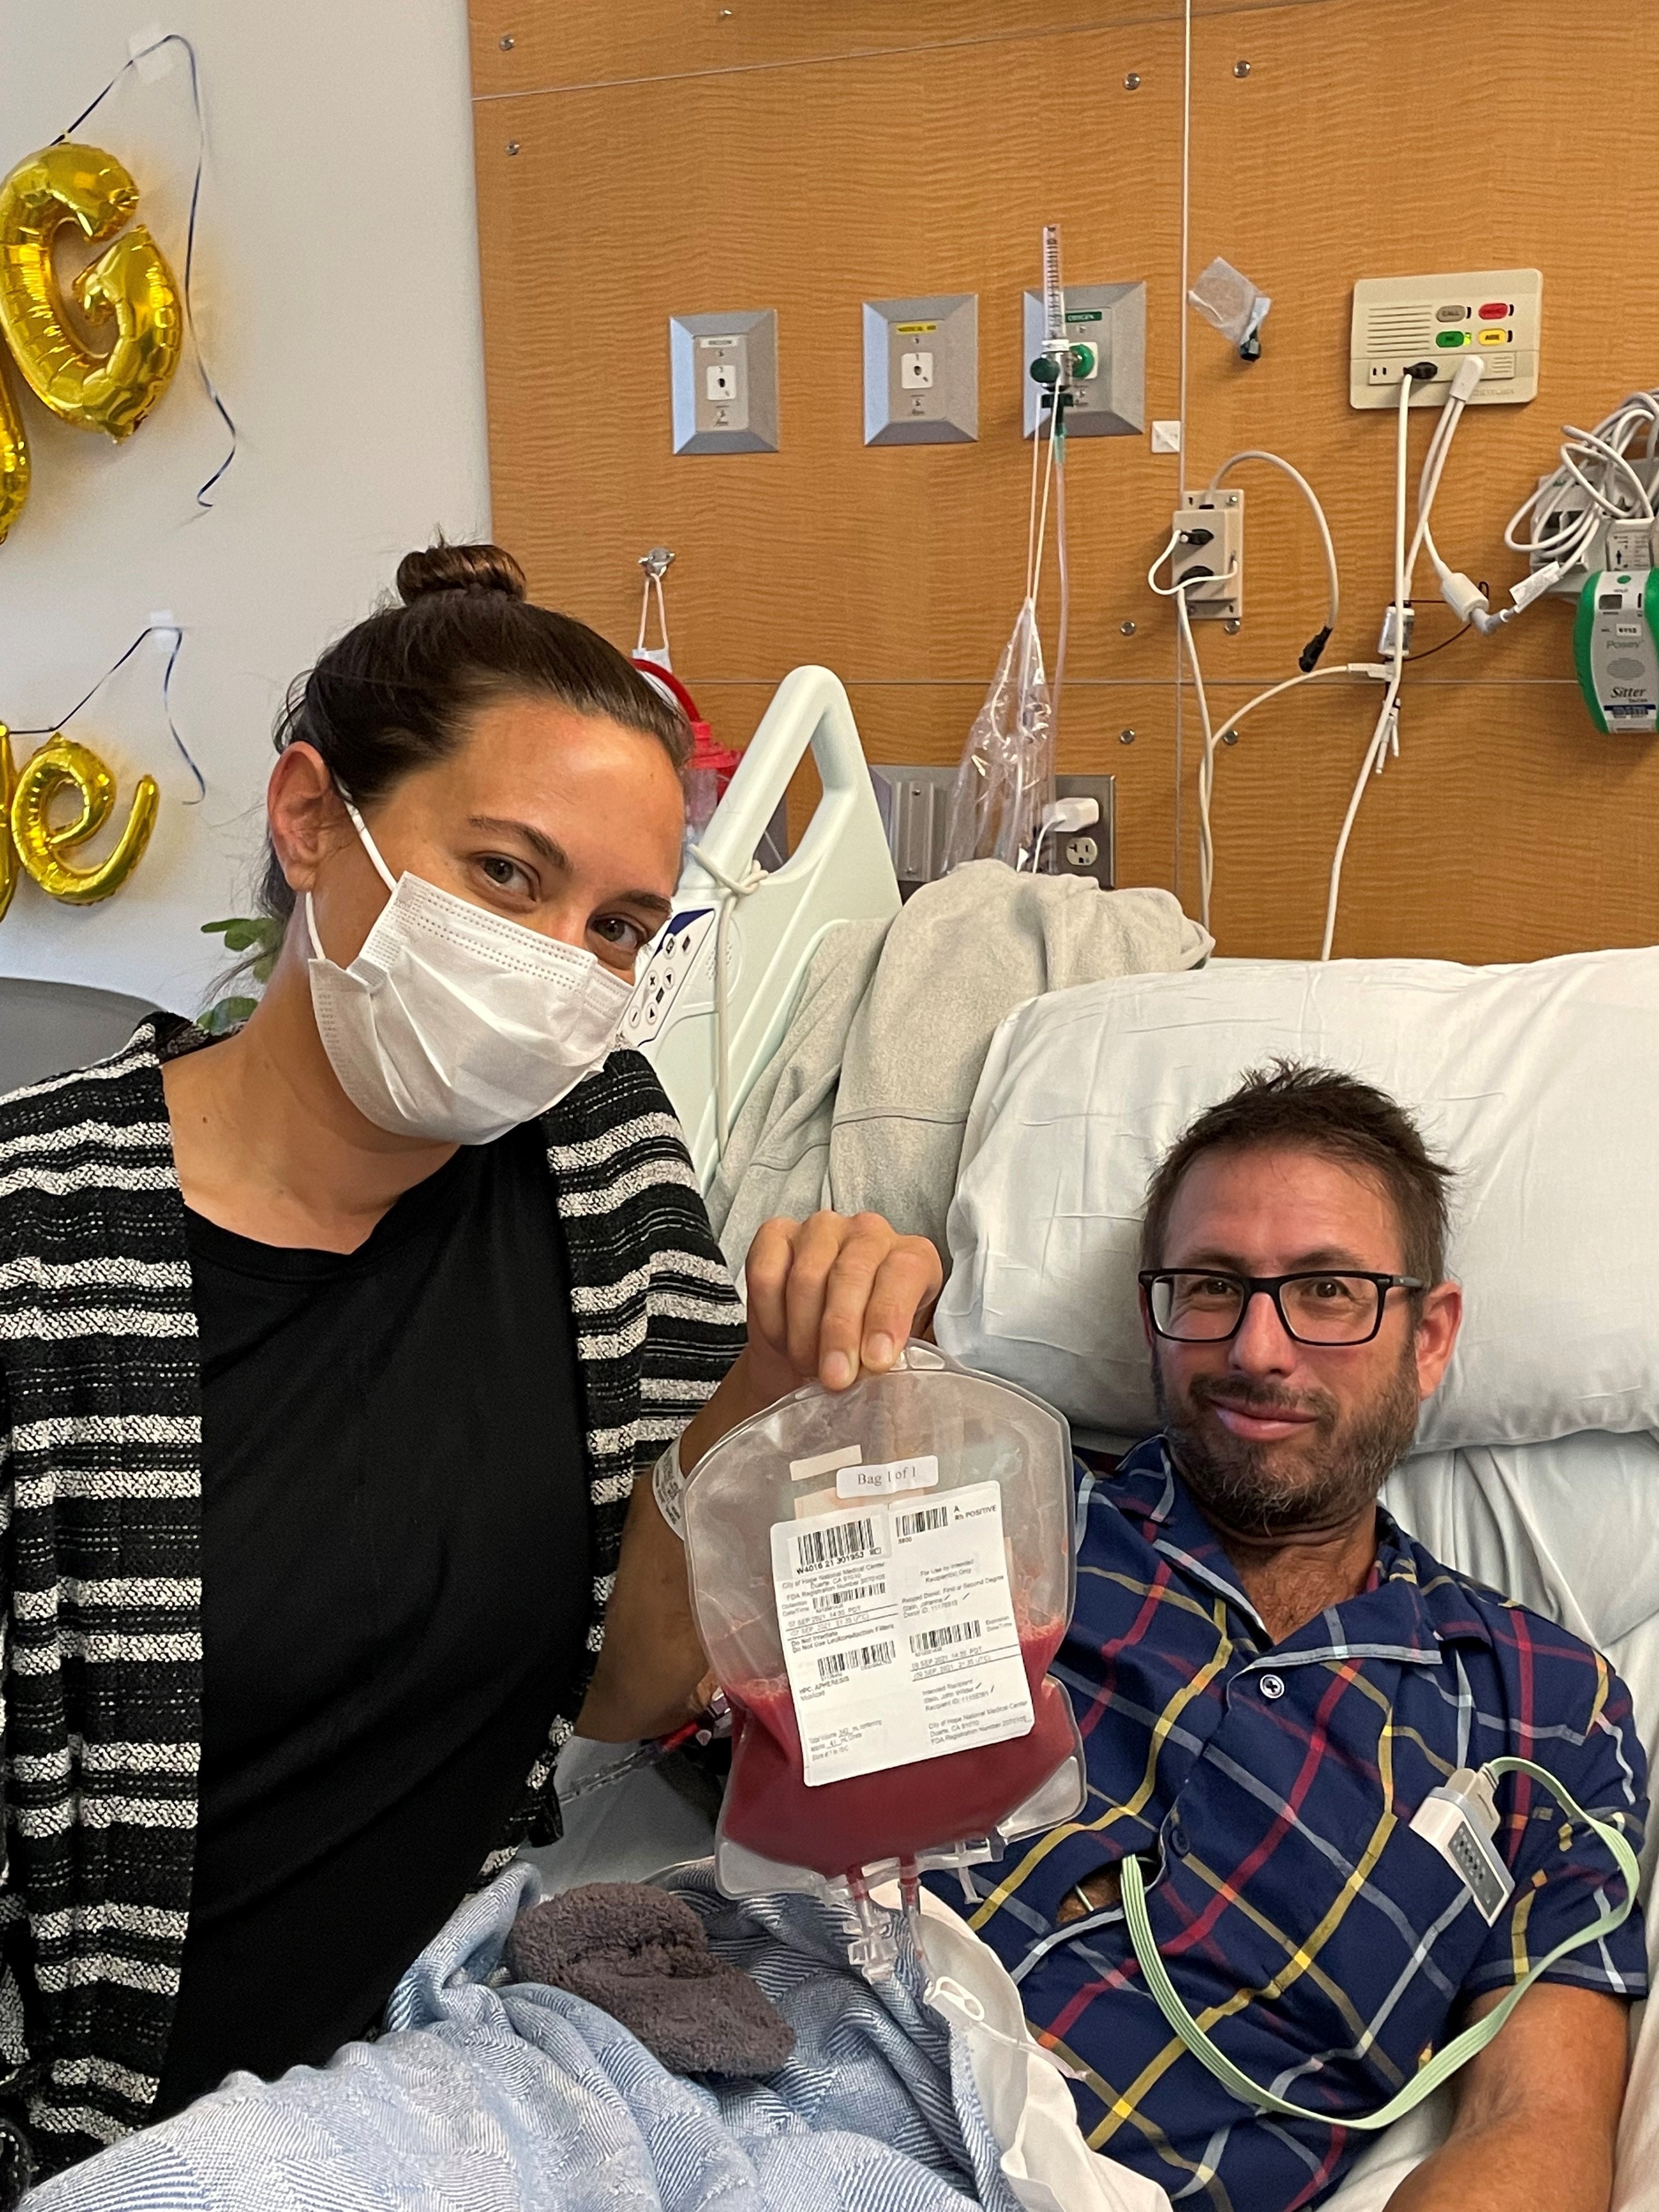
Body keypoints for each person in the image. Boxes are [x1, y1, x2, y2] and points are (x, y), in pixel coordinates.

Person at [0, 541, 941, 2194]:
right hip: (116, 2130)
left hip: (472, 2071)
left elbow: (625, 1697)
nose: (562, 966)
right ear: (312, 820)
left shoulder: (599, 1162)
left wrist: (770, 1390)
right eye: (508, 876)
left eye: (620, 925)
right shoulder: (37, 1254)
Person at [952, 1063, 1646, 2212]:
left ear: (1430, 1337)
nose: (1259, 1350)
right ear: (1154, 1317)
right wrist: (777, 1379)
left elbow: (1538, 2121)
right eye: (1212, 1287)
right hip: (775, 2065)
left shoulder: (1544, 1709)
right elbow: (669, 1705)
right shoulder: (1006, 1515)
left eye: (1328, 1291)